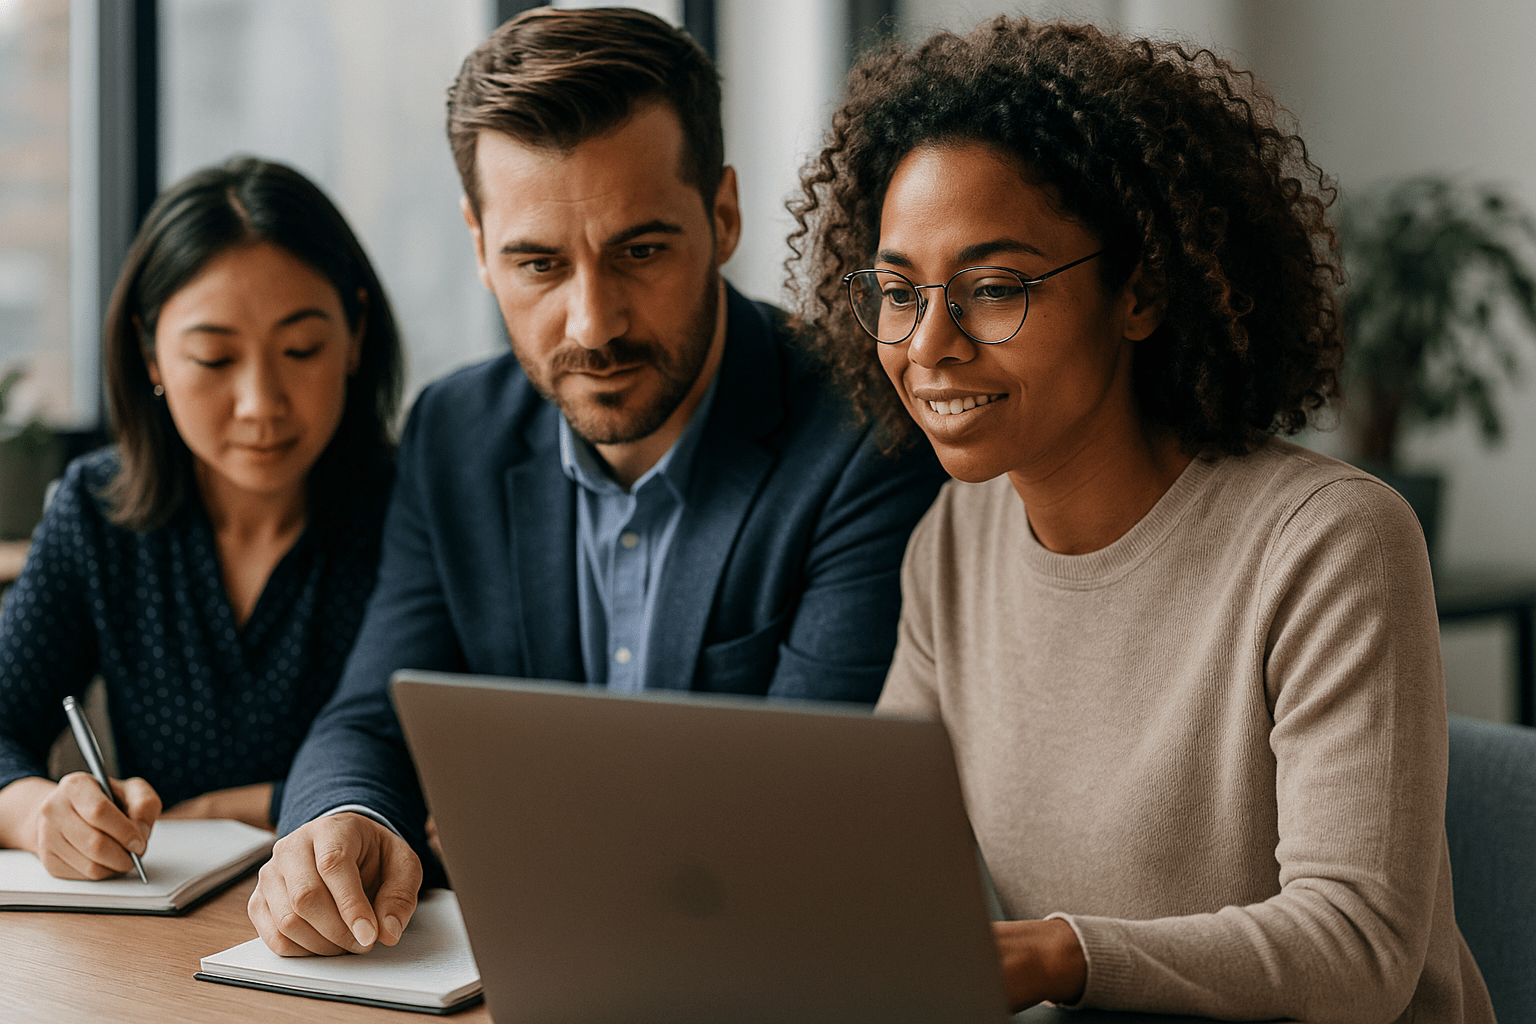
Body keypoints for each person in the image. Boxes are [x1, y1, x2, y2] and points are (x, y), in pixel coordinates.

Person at [790, 18, 1495, 1023]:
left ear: (1143, 290)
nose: (929, 344)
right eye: (900, 293)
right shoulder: (956, 537)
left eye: (994, 289)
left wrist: (1059, 957)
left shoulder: (1331, 542)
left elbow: (1358, 948)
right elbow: (883, 859)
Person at [249, 6, 947, 957]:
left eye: (642, 251)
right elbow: (374, 709)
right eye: (537, 263)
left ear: (725, 215)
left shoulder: (862, 430)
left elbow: (799, 822)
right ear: (478, 244)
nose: (592, 324)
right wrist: (343, 820)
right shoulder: (454, 432)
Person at [0, 157, 403, 880]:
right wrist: (38, 815)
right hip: (164, 931)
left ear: (355, 334)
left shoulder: (417, 514)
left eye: (301, 350)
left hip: (373, 926)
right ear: (151, 353)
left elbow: (447, 769)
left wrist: (244, 806)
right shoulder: (98, 513)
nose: (261, 403)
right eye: (215, 359)